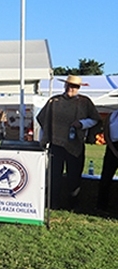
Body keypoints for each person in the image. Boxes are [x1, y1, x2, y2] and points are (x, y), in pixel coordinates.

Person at [37, 75, 100, 209]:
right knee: (54, 176)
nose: (71, 88)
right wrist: (45, 137)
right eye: (69, 85)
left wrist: (82, 124)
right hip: (56, 143)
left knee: (74, 176)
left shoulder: (85, 102)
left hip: (75, 144)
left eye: (75, 86)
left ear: (78, 88)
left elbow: (95, 119)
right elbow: (43, 119)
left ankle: (73, 204)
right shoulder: (54, 101)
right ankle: (53, 203)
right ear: (65, 85)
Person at [97, 108, 118, 211]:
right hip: (112, 147)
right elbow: (106, 133)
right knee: (106, 177)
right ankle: (101, 205)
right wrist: (113, 150)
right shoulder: (112, 115)